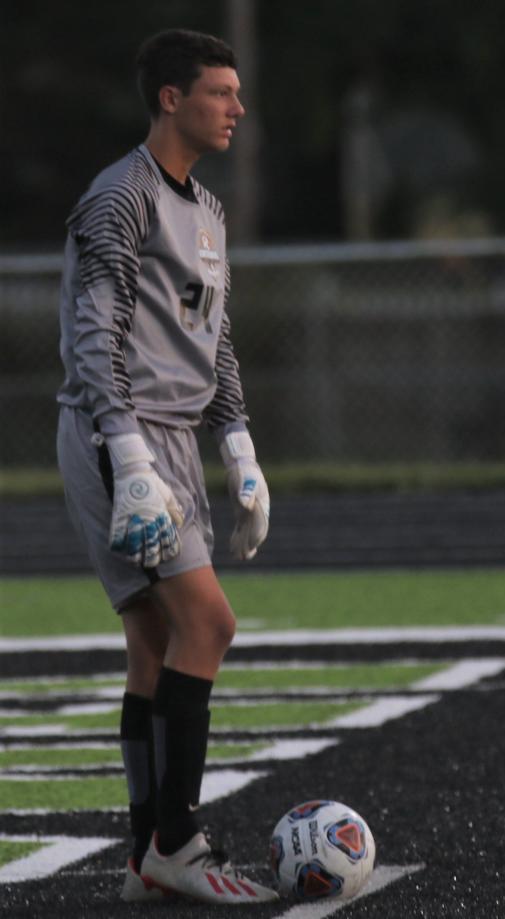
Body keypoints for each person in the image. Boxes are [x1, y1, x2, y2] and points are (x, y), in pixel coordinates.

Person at [55, 29, 276, 904]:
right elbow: (92, 332)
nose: (237, 107)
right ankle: (180, 842)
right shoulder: (120, 199)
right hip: (126, 437)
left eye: (237, 91)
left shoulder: (209, 213)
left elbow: (211, 338)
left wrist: (240, 445)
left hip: (172, 437)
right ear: (171, 100)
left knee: (152, 645)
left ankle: (144, 850)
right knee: (209, 625)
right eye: (220, 92)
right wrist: (131, 452)